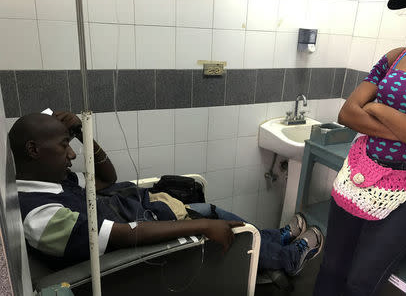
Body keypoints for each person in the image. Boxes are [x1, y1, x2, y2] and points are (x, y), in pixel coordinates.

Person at [9, 111, 324, 277]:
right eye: (64, 146)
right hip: (149, 234)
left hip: (151, 209)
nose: (72, 155)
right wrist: (200, 226)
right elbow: (125, 235)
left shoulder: (57, 182)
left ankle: (277, 236)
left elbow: (108, 178)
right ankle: (289, 258)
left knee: (229, 220)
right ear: (34, 150)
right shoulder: (41, 216)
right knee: (232, 231)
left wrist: (80, 132)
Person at [313, 0, 406, 295]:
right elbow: (348, 112)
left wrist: (377, 109)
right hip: (361, 171)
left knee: (361, 281)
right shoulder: (396, 57)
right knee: (332, 266)